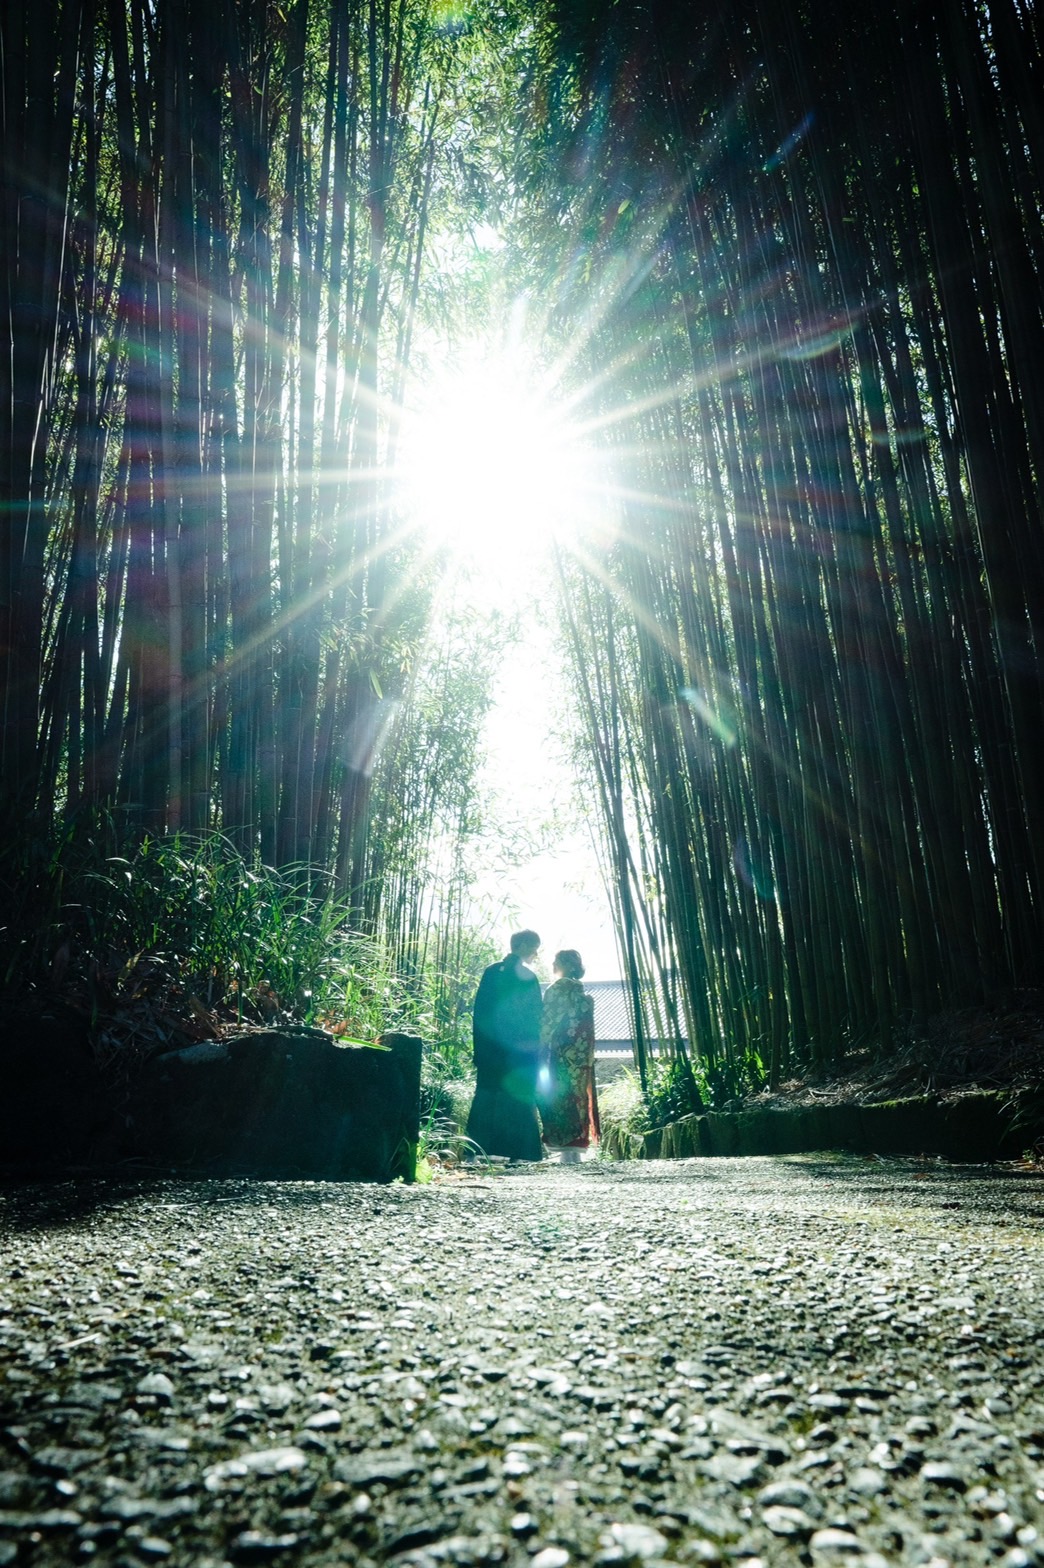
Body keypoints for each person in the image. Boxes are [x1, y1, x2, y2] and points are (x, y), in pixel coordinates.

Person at [465, 930, 544, 1162]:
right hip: (519, 1053)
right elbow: (535, 1019)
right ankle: (518, 1154)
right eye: (533, 947)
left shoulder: (492, 972)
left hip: (491, 1050)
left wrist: (480, 1049)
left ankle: (474, 1153)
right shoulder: (528, 977)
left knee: (487, 1097)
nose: (535, 953)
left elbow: (480, 1013)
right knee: (517, 1099)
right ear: (519, 946)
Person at [538, 948, 599, 1162]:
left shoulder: (557, 990)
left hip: (560, 1055)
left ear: (566, 965)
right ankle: (576, 1150)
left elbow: (547, 1021)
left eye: (557, 961)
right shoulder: (582, 994)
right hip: (582, 1058)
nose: (553, 965)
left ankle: (564, 1149)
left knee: (558, 1097)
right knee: (579, 1098)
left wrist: (539, 1045)